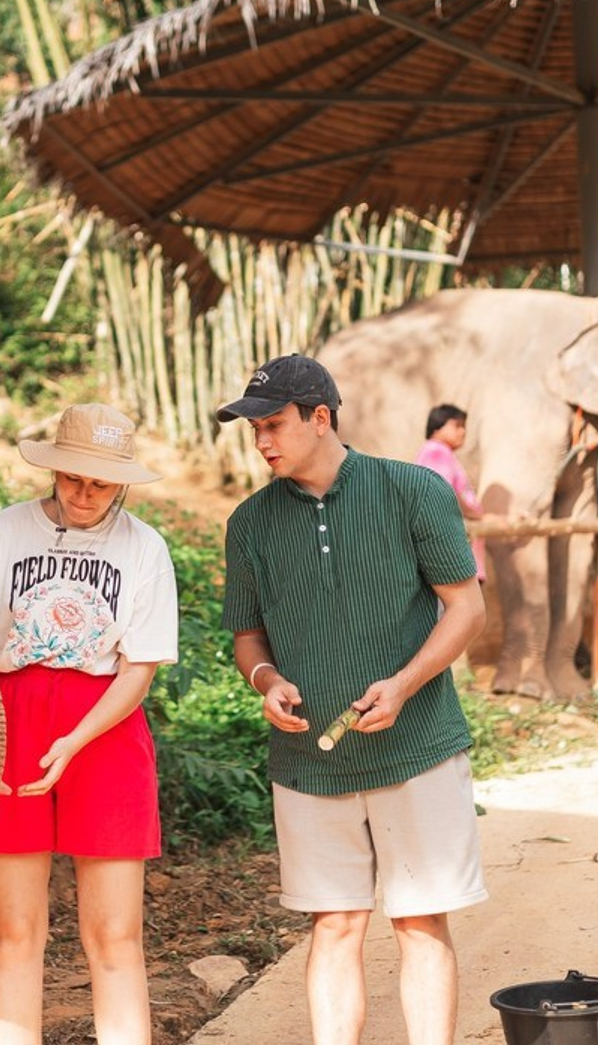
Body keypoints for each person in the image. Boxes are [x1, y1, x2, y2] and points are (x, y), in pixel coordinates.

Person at [217, 354, 488, 1045]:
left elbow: (465, 608)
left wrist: (405, 683)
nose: (262, 442)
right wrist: (266, 682)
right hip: (308, 763)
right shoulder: (250, 522)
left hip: (419, 748)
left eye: (273, 424)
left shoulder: (414, 491)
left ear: (320, 417)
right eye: (255, 429)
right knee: (334, 924)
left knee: (420, 921)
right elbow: (249, 638)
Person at [0, 403, 179, 1045]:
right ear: (52, 469)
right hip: (10, 721)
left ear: (124, 483)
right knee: (13, 932)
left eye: (101, 482)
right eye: (72, 477)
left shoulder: (144, 548)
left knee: (114, 935)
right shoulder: (2, 534)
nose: (84, 493)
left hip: (105, 728)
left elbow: (139, 670)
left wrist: (78, 740)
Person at [414, 404, 486, 583]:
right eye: (457, 425)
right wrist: (473, 512)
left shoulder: (440, 453)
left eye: (464, 427)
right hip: (451, 560)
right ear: (437, 427)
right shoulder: (436, 451)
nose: (462, 432)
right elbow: (442, 492)